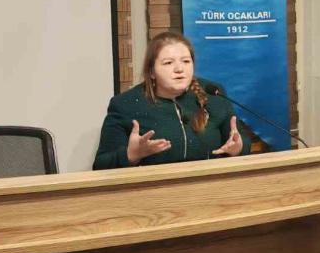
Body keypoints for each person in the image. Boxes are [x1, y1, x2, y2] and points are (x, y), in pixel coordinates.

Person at [93, 31, 250, 169]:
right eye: (168, 63)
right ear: (151, 72)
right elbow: (101, 165)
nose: (179, 69)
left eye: (186, 61)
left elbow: (241, 142)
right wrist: (131, 155)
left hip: (212, 187)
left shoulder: (214, 95)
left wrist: (238, 148)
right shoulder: (125, 104)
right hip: (154, 190)